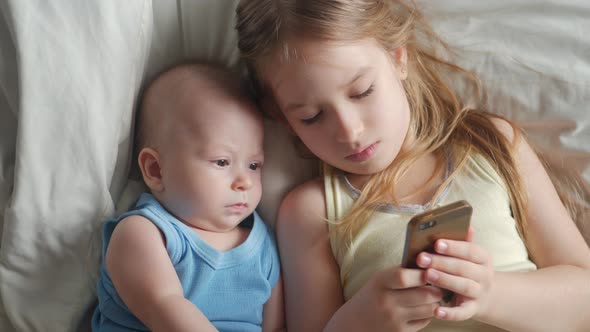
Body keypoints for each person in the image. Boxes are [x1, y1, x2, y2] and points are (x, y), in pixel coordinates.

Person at [235, 1, 590, 331]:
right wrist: (360, 320)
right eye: (312, 117)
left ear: (398, 58)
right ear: (282, 118)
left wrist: (489, 294)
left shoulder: (492, 144)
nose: (350, 131)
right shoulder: (312, 211)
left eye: (362, 92)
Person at [92, 63, 284, 332]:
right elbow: (164, 307)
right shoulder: (144, 233)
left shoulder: (265, 248)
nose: (244, 182)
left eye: (254, 165)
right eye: (221, 161)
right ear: (156, 170)